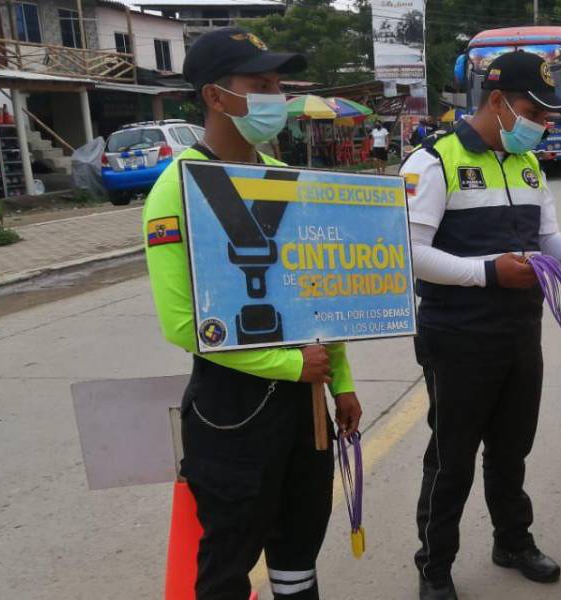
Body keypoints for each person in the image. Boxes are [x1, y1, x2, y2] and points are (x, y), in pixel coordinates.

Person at [141, 27, 362, 600]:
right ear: (216, 97)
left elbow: (317, 296)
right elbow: (184, 323)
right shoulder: (177, 189)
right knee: (227, 561)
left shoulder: (286, 181)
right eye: (260, 85)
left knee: (298, 553)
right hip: (231, 410)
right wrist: (290, 366)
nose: (276, 98)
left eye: (278, 85)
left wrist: (341, 382)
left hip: (307, 406)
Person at [399, 50, 561, 600]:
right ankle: (435, 564)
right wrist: (488, 274)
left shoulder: (528, 164)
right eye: (532, 111)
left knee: (511, 447)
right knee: (451, 458)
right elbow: (409, 254)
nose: (541, 125)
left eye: (547, 115)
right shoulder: (433, 163)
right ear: (495, 101)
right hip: (457, 335)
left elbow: (545, 241)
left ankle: (512, 542)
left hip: (520, 329)